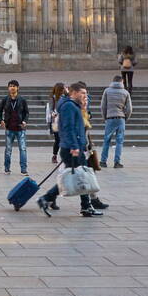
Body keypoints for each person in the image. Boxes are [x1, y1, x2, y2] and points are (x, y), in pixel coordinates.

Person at [38, 82, 109, 218]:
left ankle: (85, 206)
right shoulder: (69, 106)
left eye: (85, 93)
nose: (85, 95)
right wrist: (74, 146)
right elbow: (69, 128)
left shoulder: (73, 106)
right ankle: (46, 199)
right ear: (73, 93)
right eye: (82, 93)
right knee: (77, 177)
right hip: (71, 148)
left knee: (80, 177)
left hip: (75, 147)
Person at [99, 74, 132, 167]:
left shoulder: (107, 91)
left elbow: (103, 106)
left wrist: (105, 117)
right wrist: (125, 118)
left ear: (113, 81)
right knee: (119, 141)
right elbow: (129, 109)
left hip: (110, 118)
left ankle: (103, 161)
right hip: (121, 118)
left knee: (106, 140)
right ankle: (117, 162)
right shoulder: (125, 92)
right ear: (122, 82)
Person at [0, 80, 29, 176]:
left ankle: (23, 169)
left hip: (20, 128)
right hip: (9, 128)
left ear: (18, 88)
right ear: (8, 88)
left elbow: (26, 113)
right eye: (10, 86)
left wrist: (24, 121)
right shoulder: (5, 100)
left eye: (14, 86)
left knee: (23, 149)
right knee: (8, 150)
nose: (12, 88)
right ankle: (7, 168)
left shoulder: (22, 100)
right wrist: (1, 121)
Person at [45, 82, 66, 163]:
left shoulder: (64, 97)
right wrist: (53, 113)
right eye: (63, 88)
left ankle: (63, 155)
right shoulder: (53, 98)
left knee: (63, 139)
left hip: (64, 121)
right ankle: (54, 155)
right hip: (55, 121)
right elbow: (50, 108)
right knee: (57, 139)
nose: (65, 90)